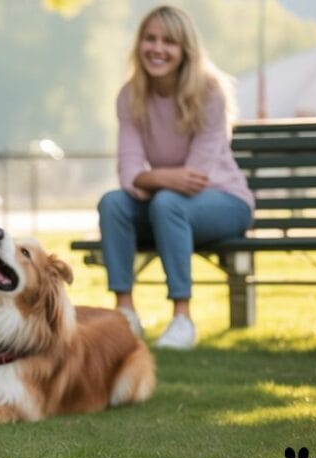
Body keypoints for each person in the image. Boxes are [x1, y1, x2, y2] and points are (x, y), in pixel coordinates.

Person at [98, 5, 254, 350]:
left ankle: (182, 318)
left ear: (185, 49)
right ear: (139, 45)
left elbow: (195, 178)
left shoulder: (210, 91)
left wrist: (150, 177)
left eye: (169, 41)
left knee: (169, 203)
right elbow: (128, 173)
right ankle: (125, 314)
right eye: (150, 39)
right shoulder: (130, 96)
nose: (157, 48)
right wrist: (163, 177)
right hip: (165, 206)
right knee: (112, 203)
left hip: (225, 203)